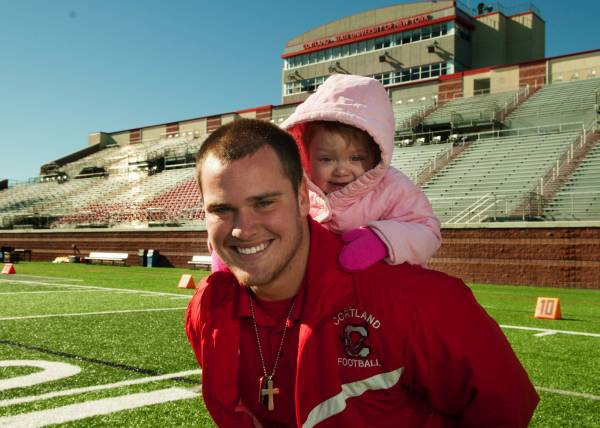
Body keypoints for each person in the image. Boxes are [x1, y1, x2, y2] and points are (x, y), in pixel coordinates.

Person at [186, 119, 539, 427]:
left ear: (303, 198)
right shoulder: (209, 307)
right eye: (222, 210)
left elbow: (505, 409)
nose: (242, 229)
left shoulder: (419, 301)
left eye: (263, 203)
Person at [280, 74, 440, 271]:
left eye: (356, 158)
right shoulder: (299, 190)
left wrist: (382, 240)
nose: (341, 170)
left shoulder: (392, 187)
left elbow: (428, 232)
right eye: (326, 159)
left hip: (378, 288)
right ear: (306, 157)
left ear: (376, 155)